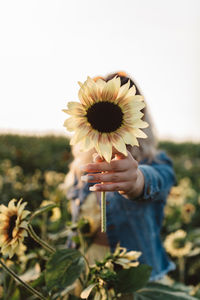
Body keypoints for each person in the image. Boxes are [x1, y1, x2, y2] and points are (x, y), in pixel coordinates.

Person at [65, 72, 176, 290]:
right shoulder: (82, 170)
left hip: (133, 275)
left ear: (138, 117)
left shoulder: (156, 163)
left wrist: (136, 181)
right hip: (86, 271)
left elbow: (154, 181)